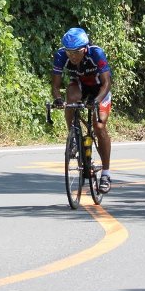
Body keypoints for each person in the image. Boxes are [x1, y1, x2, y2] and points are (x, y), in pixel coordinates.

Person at [51, 28, 113, 193]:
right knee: (70, 97)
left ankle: (106, 174)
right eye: (69, 52)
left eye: (76, 52)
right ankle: (73, 134)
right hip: (79, 86)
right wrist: (58, 100)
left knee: (99, 127)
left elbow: (107, 83)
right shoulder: (60, 55)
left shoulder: (96, 53)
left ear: (84, 49)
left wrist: (96, 101)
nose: (72, 56)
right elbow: (56, 86)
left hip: (100, 89)